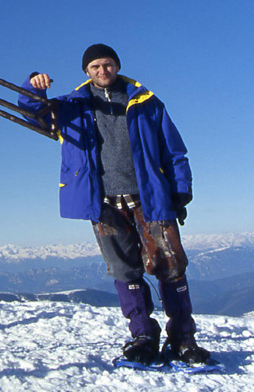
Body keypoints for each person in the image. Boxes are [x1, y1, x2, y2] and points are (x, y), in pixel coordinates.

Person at [18, 43, 210, 365]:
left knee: (171, 267)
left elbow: (174, 151)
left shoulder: (147, 103)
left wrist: (180, 191)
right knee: (125, 271)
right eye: (95, 67)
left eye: (107, 65)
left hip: (150, 199)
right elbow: (33, 115)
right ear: (86, 72)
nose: (102, 71)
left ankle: (182, 339)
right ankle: (143, 336)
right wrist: (31, 86)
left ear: (117, 66)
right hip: (104, 202)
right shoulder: (71, 106)